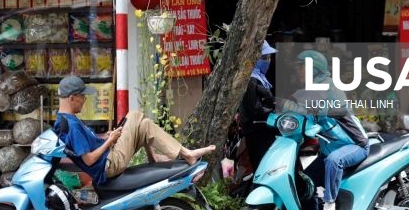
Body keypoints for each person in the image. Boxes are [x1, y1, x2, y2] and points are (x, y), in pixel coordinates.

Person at [55, 75, 215, 185]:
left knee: (143, 125)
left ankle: (156, 158)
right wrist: (110, 141)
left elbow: (85, 144)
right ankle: (186, 154)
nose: (84, 100)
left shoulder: (64, 120)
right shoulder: (71, 125)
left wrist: (105, 137)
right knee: (135, 115)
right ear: (72, 98)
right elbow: (88, 160)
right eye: (82, 96)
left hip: (108, 156)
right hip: (108, 165)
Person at [277, 50, 368, 210]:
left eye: (301, 67)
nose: (297, 71)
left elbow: (336, 108)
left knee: (334, 161)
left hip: (355, 144)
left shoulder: (330, 86)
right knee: (305, 180)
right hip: (329, 149)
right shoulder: (309, 90)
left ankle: (329, 206)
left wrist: (291, 104)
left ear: (313, 69)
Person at [238, 41, 278, 170]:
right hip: (256, 130)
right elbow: (255, 109)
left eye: (269, 57)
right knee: (263, 167)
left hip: (264, 128)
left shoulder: (259, 77)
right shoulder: (250, 79)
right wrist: (275, 109)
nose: (268, 61)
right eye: (264, 58)